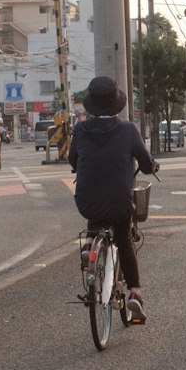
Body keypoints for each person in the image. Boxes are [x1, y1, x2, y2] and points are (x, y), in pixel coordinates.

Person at [69, 76, 156, 324]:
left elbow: (73, 161)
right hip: (119, 200)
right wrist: (152, 166)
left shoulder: (80, 129)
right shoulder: (128, 130)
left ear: (91, 105)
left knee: (95, 218)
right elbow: (147, 164)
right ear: (116, 104)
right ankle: (135, 294)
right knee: (124, 240)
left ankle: (89, 247)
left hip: (87, 199)